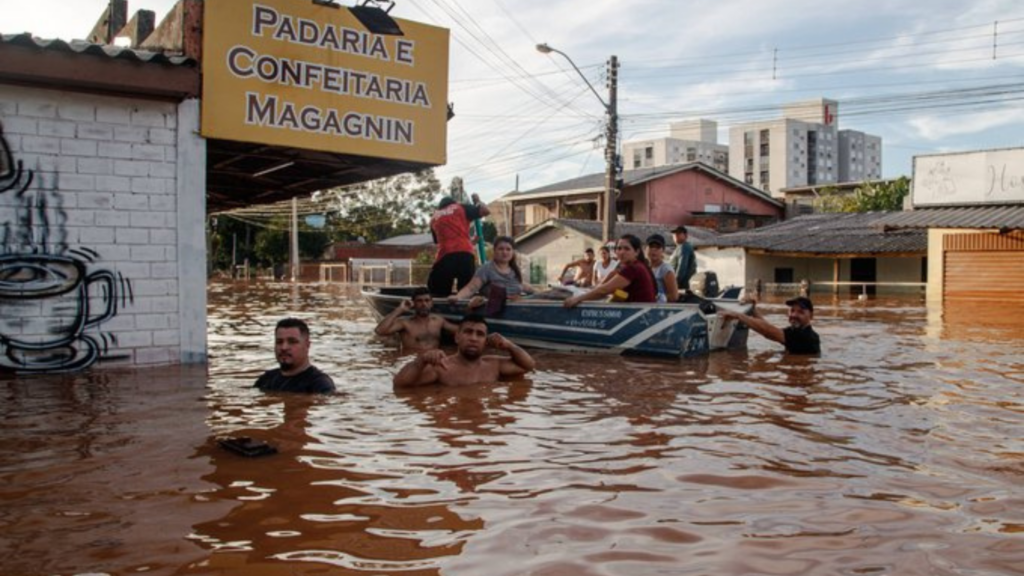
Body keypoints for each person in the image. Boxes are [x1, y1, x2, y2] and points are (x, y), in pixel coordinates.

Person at [393, 314, 536, 388]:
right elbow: (400, 384)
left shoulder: (494, 365)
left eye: (479, 334)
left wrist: (509, 345)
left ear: (485, 341)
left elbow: (528, 366)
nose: (473, 338)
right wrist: (421, 360)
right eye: (468, 332)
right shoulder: (442, 367)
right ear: (457, 337)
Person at [563, 234, 656, 307]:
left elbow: (604, 290)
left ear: (637, 252)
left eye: (627, 249)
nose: (622, 252)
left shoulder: (633, 268)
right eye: (619, 248)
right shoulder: (635, 266)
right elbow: (611, 288)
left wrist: (577, 299)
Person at [427, 194, 490, 297]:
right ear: (453, 203)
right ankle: (465, 308)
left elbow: (442, 241)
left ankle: (440, 307)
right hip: (465, 254)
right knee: (466, 290)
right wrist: (478, 201)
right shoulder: (461, 207)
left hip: (445, 255)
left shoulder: (434, 217)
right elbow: (486, 211)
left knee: (438, 290)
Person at [254, 318, 336, 393]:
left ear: (307, 345)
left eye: (292, 342)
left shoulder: (320, 384)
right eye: (279, 342)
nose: (284, 347)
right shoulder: (266, 379)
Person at [450, 236, 535, 307]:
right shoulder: (486, 269)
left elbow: (522, 285)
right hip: (494, 309)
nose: (505, 252)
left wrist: (539, 292)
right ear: (494, 251)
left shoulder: (515, 270)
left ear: (512, 252)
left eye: (508, 249)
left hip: (518, 307)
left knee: (546, 296)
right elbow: (471, 288)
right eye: (501, 249)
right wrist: (458, 297)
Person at [719, 296, 821, 355]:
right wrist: (753, 310)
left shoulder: (805, 336)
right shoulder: (797, 331)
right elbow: (769, 329)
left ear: (811, 316)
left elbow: (768, 331)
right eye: (792, 310)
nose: (794, 315)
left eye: (800, 312)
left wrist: (738, 315)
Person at [375, 287, 458, 352]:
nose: (424, 304)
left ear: (431, 303)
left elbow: (460, 331)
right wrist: (400, 309)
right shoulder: (405, 323)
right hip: (412, 360)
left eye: (427, 300)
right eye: (419, 301)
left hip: (433, 361)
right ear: (413, 303)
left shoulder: (438, 321)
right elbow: (380, 331)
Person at [645, 234, 679, 303]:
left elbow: (674, 297)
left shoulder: (666, 270)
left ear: (662, 250)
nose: (654, 250)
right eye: (651, 246)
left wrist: (659, 297)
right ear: (646, 249)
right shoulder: (644, 267)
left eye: (657, 247)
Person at [668, 225, 697, 292]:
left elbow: (682, 267)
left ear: (685, 235)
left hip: (683, 286)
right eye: (674, 234)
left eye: (679, 233)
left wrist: (675, 283)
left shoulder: (684, 247)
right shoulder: (679, 247)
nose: (676, 236)